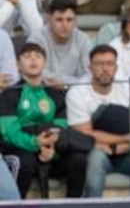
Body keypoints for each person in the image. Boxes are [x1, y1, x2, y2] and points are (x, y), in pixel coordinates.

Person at [71, 43, 130, 197]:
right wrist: (125, 138)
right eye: (99, 64)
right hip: (98, 151)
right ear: (89, 68)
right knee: (94, 161)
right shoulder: (77, 92)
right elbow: (84, 134)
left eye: (109, 63)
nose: (105, 68)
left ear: (116, 67)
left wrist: (116, 147)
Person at [0, 39, 83, 197]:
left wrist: (52, 146)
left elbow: (61, 124)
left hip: (51, 149)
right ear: (18, 64)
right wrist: (34, 143)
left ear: (45, 63)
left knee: (78, 160)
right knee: (26, 162)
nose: (33, 59)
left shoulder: (55, 93)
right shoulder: (11, 93)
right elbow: (9, 131)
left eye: (38, 56)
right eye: (27, 56)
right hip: (20, 149)